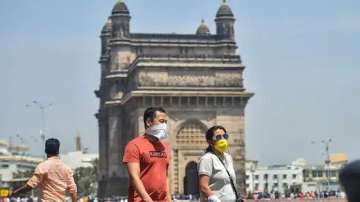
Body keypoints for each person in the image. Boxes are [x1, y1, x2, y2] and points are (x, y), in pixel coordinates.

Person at [123, 107, 171, 202]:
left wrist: (169, 199)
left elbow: (165, 177)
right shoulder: (134, 145)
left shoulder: (165, 147)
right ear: (149, 122)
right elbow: (134, 177)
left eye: (166, 122)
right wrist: (147, 199)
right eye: (161, 121)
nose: (164, 125)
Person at [10, 138, 77, 202]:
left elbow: (30, 186)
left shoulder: (42, 167)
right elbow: (73, 190)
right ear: (58, 151)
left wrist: (15, 192)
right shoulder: (66, 168)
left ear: (45, 150)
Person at [198, 125, 242, 202]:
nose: (223, 139)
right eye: (218, 137)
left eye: (225, 136)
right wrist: (214, 199)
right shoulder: (207, 158)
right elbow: (203, 186)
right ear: (210, 141)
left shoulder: (228, 157)